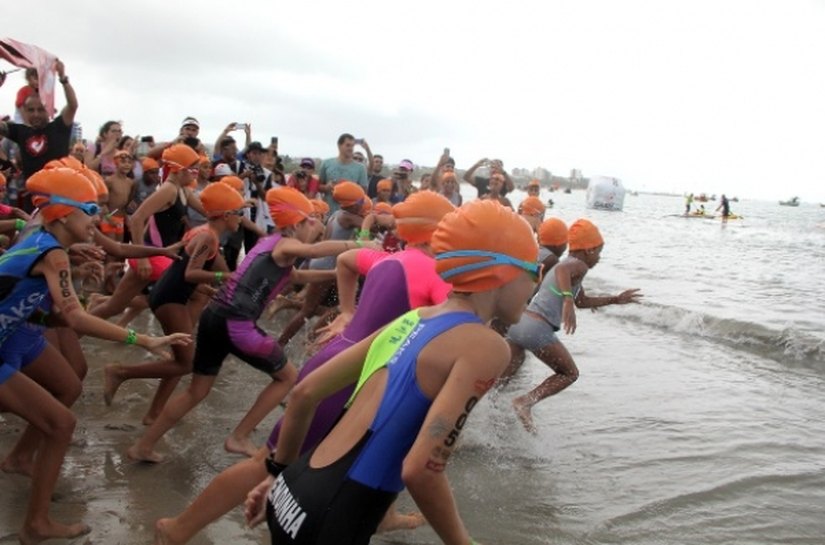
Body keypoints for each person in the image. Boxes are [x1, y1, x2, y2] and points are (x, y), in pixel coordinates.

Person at [243, 200, 540, 545]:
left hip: (291, 490)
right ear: (502, 271)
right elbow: (421, 470)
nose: (536, 286)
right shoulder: (487, 346)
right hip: (331, 518)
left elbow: (303, 394)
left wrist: (276, 474)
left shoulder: (414, 318)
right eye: (535, 272)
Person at [0, 167, 190, 544]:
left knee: (67, 385)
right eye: (89, 209)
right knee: (61, 425)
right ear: (62, 214)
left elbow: (33, 306)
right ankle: (36, 525)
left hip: (15, 333)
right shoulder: (52, 252)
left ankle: (21, 460)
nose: (97, 217)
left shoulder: (46, 241)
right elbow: (75, 318)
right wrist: (143, 339)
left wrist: (69, 296)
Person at [128, 186, 367, 463]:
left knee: (196, 391)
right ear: (295, 224)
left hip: (214, 317)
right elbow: (312, 250)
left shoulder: (270, 243)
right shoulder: (285, 244)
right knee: (288, 377)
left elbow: (296, 276)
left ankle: (143, 446)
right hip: (236, 323)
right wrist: (359, 247)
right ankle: (239, 437)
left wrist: (336, 273)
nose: (315, 229)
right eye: (310, 223)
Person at [504, 219, 642, 433]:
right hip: (536, 328)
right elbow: (562, 271)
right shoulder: (578, 265)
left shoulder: (572, 270)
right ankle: (526, 402)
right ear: (588, 250)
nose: (599, 258)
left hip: (520, 324)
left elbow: (582, 301)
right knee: (569, 373)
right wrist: (567, 299)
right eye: (598, 252)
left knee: (499, 382)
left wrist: (615, 299)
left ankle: (482, 412)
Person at [0, 59, 77, 211]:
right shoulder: (20, 131)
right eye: (31, 110)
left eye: (41, 109)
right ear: (24, 111)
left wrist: (63, 78)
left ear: (49, 110)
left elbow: (73, 105)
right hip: (33, 201)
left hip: (60, 198)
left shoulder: (59, 127)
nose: (35, 114)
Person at [318, 133, 368, 212]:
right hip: (328, 213)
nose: (350, 148)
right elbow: (318, 186)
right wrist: (326, 187)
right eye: (348, 145)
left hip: (349, 214)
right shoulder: (326, 163)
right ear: (339, 145)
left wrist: (353, 201)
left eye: (352, 146)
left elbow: (364, 195)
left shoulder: (360, 168)